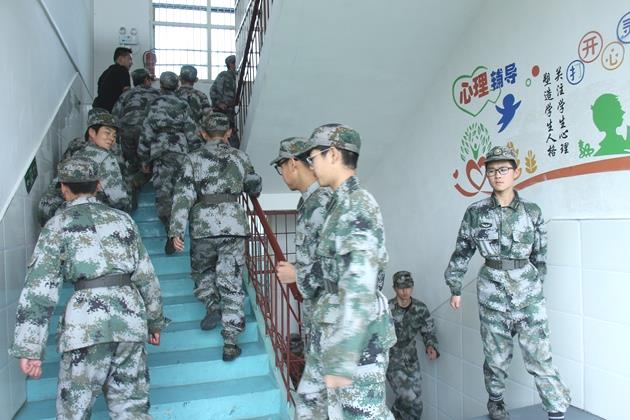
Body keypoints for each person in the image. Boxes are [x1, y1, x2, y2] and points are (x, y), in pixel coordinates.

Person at [10, 157, 168, 419]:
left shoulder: (57, 225)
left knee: (74, 411)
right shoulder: (123, 220)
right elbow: (146, 276)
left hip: (86, 326)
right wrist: (155, 322)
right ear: (98, 185)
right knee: (132, 410)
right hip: (130, 321)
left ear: (64, 188)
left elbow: (39, 290)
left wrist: (29, 347)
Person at [444, 145, 571, 420]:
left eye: (503, 169)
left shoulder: (531, 212)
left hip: (528, 294)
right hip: (492, 293)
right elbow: (462, 250)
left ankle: (557, 409)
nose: (497, 175)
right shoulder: (475, 212)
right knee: (496, 358)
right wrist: (455, 286)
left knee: (539, 355)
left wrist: (534, 286)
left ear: (515, 172)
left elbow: (540, 255)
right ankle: (496, 401)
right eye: (491, 171)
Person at [296, 123, 396, 419]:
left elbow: (359, 281)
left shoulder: (358, 204)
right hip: (328, 323)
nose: (311, 166)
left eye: (313, 158)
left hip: (356, 336)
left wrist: (344, 354)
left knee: (361, 414)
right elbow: (329, 268)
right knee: (310, 407)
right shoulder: (336, 205)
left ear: (333, 154)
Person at [168, 112, 261, 361]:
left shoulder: (192, 158)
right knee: (231, 280)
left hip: (203, 225)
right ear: (229, 132)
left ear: (203, 133)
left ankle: (211, 303)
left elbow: (183, 195)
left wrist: (176, 230)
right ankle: (230, 342)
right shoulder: (241, 156)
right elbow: (255, 186)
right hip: (233, 225)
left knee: (202, 271)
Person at [272, 137, 332, 344]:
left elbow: (344, 264)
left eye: (280, 167)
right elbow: (318, 255)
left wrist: (297, 274)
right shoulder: (308, 202)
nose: (282, 174)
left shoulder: (324, 201)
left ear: (292, 163)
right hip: (318, 318)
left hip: (331, 323)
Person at [38, 112, 131, 226]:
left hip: (52, 215)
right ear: (92, 132)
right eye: (107, 133)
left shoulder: (75, 152)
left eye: (114, 135)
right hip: (81, 218)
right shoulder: (105, 157)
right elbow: (118, 198)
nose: (112, 138)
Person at [138, 71, 202, 229]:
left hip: (160, 151)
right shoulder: (183, 104)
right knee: (181, 188)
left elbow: (146, 132)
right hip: (181, 151)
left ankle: (169, 227)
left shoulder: (154, 104)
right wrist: (197, 158)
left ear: (161, 85)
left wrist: (144, 159)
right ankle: (180, 225)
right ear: (177, 85)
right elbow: (191, 132)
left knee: (163, 191)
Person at [386, 271, 439, 420]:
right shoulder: (387, 309)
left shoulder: (420, 308)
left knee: (411, 401)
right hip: (392, 360)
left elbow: (428, 330)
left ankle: (392, 416)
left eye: (408, 287)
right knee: (412, 401)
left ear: (412, 287)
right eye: (401, 288)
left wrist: (430, 346)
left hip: (411, 360)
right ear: (394, 288)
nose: (405, 291)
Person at [112, 68, 160, 199]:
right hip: (147, 133)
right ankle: (136, 183)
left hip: (127, 131)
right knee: (148, 165)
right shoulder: (157, 93)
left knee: (133, 163)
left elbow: (115, 115)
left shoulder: (126, 94)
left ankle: (128, 191)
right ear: (146, 79)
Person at [210, 54, 239, 148]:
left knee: (230, 133)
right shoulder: (224, 75)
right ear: (231, 64)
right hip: (221, 111)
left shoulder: (235, 77)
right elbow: (213, 90)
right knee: (222, 134)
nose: (236, 65)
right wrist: (219, 103)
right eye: (235, 63)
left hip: (229, 111)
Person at [93, 47, 133, 112]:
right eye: (129, 59)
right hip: (111, 113)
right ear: (120, 59)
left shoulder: (105, 73)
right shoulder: (123, 70)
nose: (131, 63)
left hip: (98, 112)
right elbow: (127, 93)